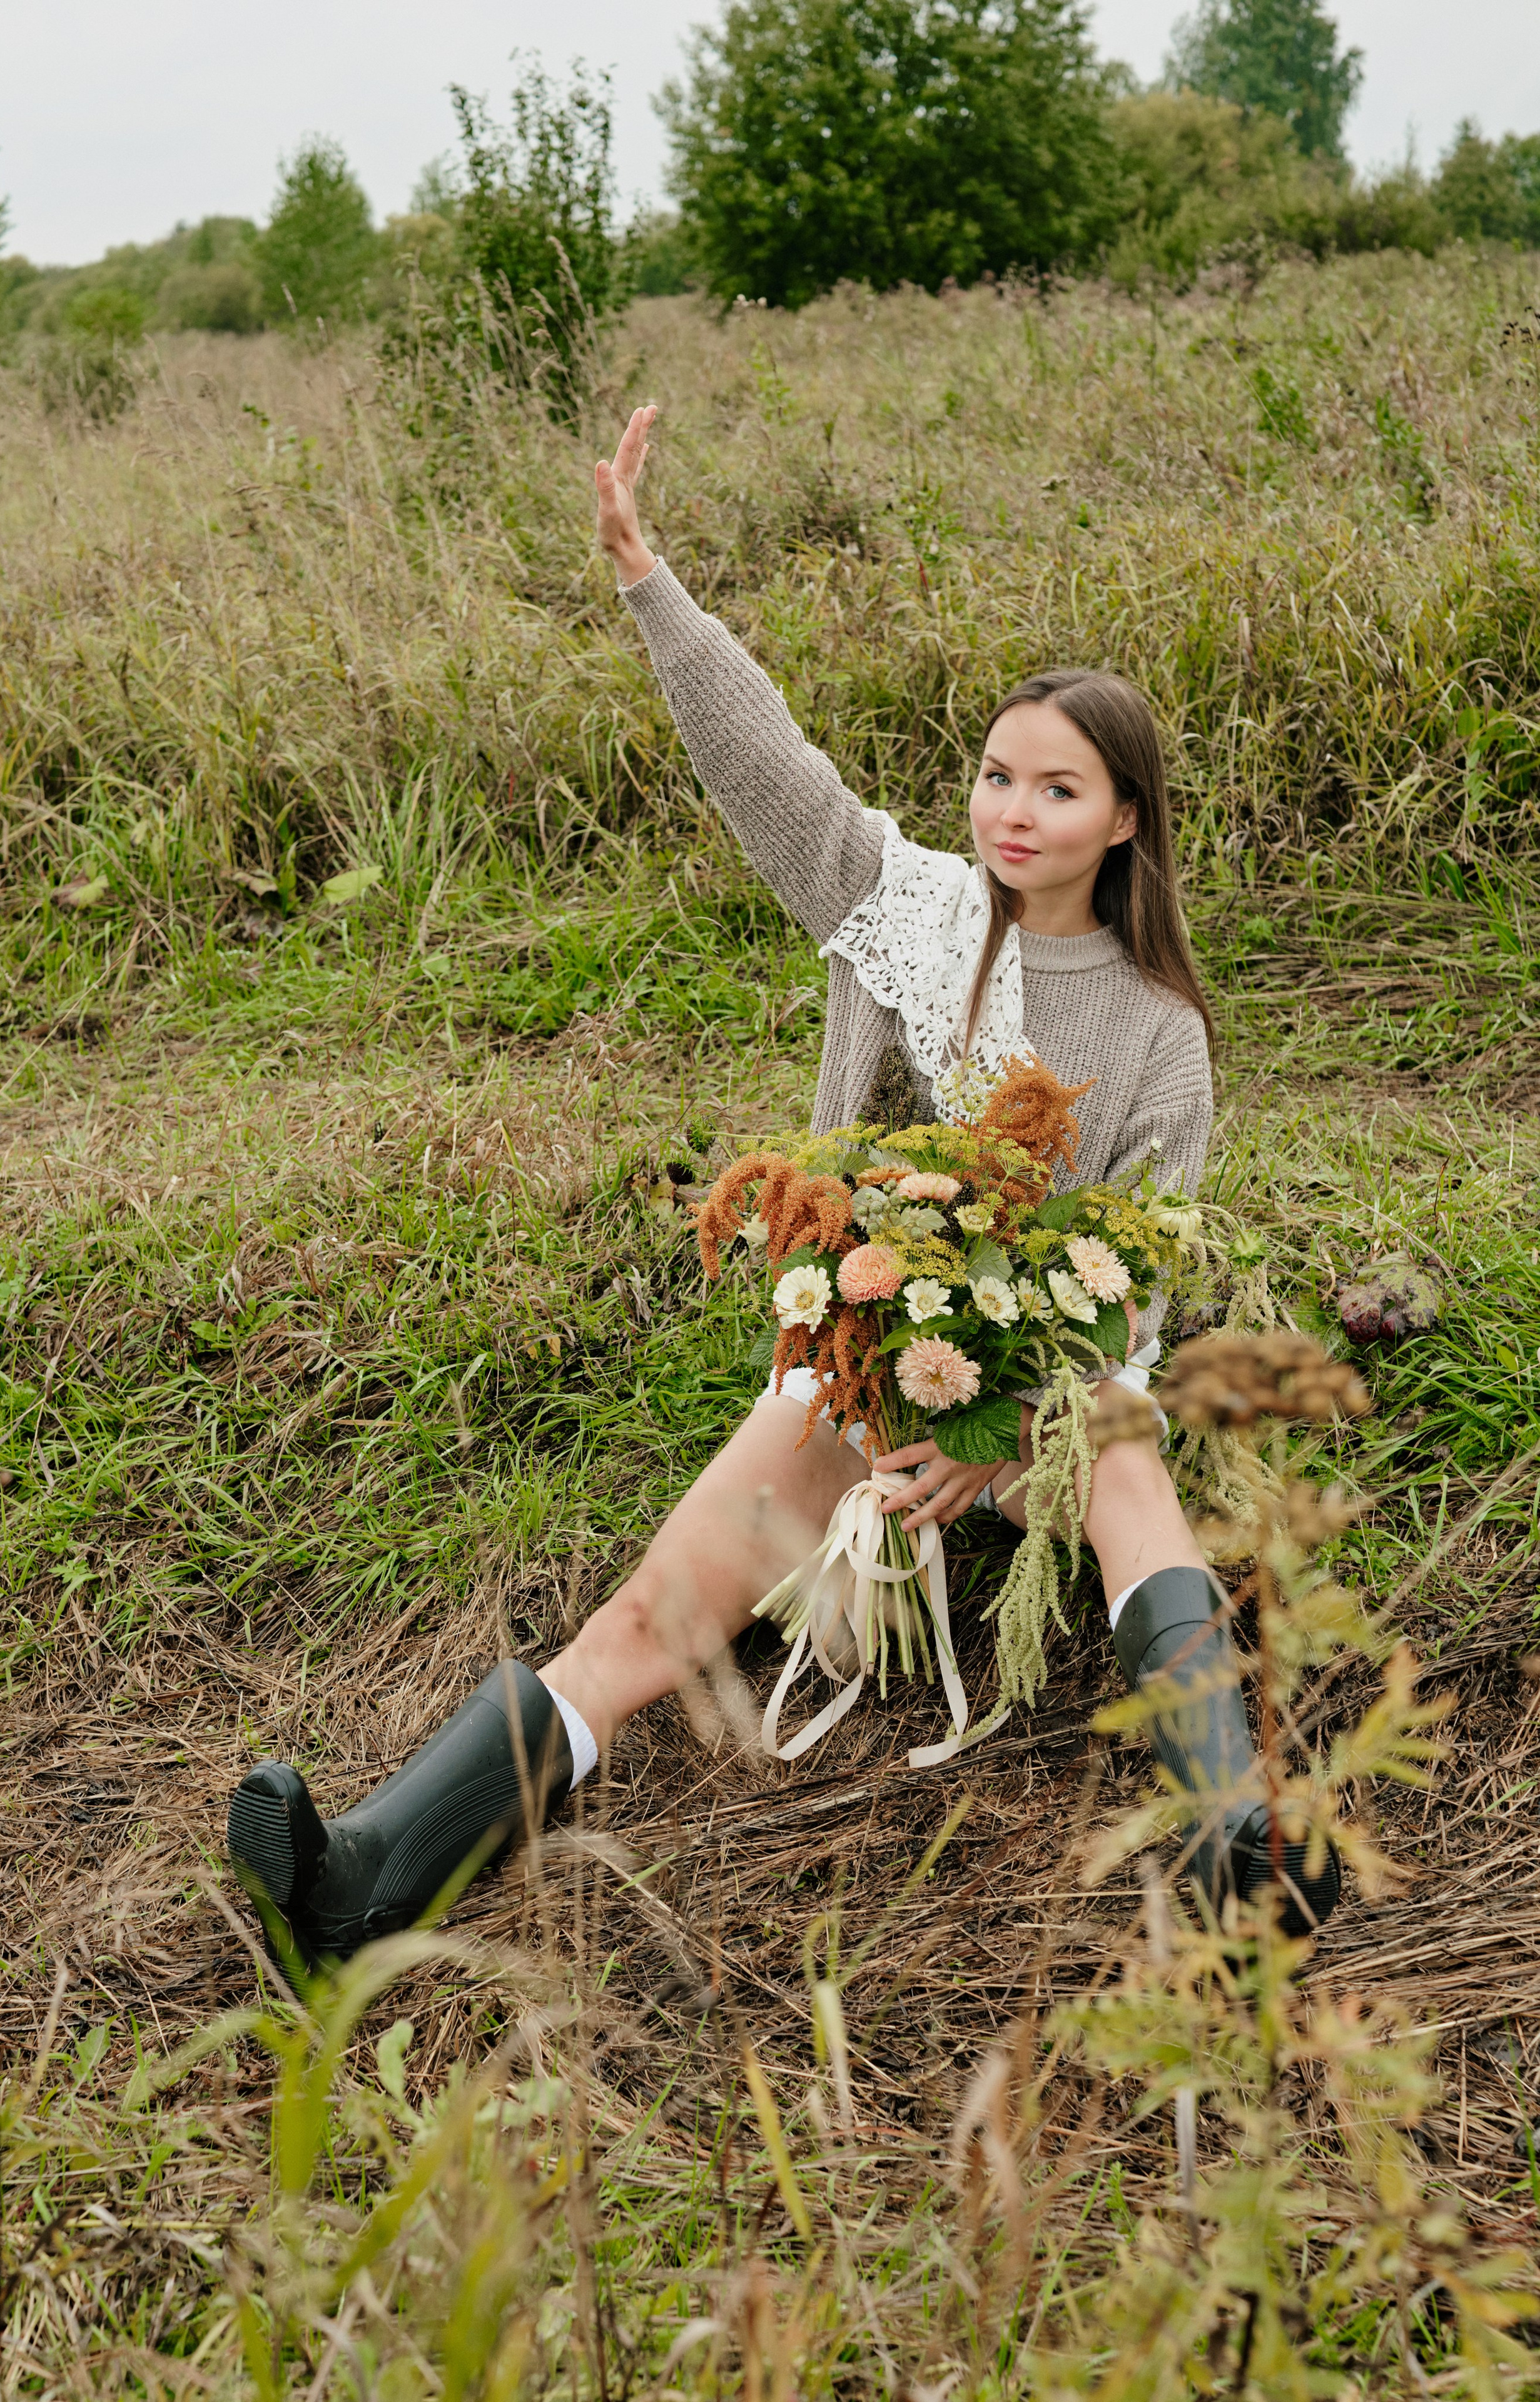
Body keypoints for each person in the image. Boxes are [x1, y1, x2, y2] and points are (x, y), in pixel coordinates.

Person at [226, 405, 1339, 1966]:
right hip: (861, 1364)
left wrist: (990, 1449)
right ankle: (362, 1881)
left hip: (1050, 1395)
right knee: (647, 1618)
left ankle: (1234, 1835)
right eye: (995, 776)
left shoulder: (1161, 1035)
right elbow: (769, 767)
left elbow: (1131, 1291)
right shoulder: (906, 909)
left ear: (1123, 818)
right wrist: (647, 581)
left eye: (1056, 789)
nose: (1012, 813)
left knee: (1127, 1459)